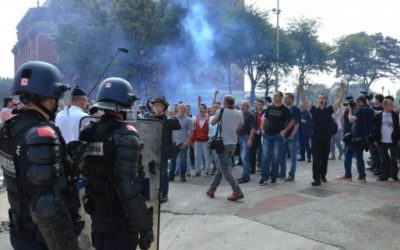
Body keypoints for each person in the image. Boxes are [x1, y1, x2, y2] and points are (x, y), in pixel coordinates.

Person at [0, 61, 80, 249]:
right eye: (56, 98)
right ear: (48, 98)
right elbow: (47, 205)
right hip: (43, 238)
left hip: (20, 231)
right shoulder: (41, 134)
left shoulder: (8, 129)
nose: (58, 103)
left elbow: (26, 172)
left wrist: (69, 161)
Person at [80, 77, 154, 250]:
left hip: (97, 216)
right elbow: (127, 186)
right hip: (120, 221)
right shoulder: (126, 136)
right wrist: (145, 227)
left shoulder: (88, 132)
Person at [299, 82, 345, 186]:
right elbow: (304, 101)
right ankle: (316, 179)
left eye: (323, 98)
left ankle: (323, 175)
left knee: (324, 158)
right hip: (315, 137)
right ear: (317, 100)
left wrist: (342, 91)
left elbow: (339, 101)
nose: (321, 100)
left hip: (326, 137)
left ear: (326, 100)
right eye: (319, 98)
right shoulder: (313, 109)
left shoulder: (329, 110)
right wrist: (301, 91)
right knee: (315, 158)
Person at [207, 95, 244, 201]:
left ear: (225, 102)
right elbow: (240, 127)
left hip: (222, 144)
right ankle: (212, 189)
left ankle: (237, 191)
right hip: (233, 144)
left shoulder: (221, 111)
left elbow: (212, 122)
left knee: (225, 170)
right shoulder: (239, 112)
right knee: (221, 167)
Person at [149, 97, 181, 203]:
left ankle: (164, 193)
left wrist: (174, 117)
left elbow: (177, 126)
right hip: (152, 150)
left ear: (164, 107)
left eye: (159, 105)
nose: (156, 107)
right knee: (152, 172)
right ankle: (153, 192)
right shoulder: (149, 118)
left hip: (163, 150)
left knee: (163, 173)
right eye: (155, 105)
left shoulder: (167, 120)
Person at [259, 91, 294, 186]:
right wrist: (262, 129)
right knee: (265, 157)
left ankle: (274, 177)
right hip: (267, 135)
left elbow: (292, 121)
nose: (274, 97)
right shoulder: (269, 107)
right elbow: (265, 118)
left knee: (276, 157)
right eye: (274, 96)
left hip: (278, 136)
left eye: (276, 96)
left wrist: (285, 130)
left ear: (281, 97)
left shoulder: (285, 109)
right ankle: (264, 177)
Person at [338, 95, 374, 183]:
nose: (356, 104)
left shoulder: (361, 110)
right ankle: (362, 176)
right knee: (359, 157)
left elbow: (350, 119)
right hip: (364, 137)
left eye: (357, 102)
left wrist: (350, 109)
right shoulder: (370, 110)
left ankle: (348, 175)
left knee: (347, 155)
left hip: (356, 138)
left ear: (360, 102)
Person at [374, 98, 399, 181]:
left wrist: (398, 139)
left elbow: (398, 128)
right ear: (384, 105)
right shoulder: (378, 116)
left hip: (393, 141)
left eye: (392, 104)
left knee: (394, 159)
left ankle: (394, 175)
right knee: (384, 159)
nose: (392, 106)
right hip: (382, 141)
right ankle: (385, 175)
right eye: (390, 104)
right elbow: (375, 129)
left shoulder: (395, 115)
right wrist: (375, 140)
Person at [280, 93, 301, 182]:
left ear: (291, 99)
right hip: (284, 136)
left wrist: (292, 135)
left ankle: (291, 175)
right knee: (282, 155)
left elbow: (296, 123)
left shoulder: (296, 109)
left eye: (286, 98)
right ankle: (282, 173)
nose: (285, 100)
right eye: (284, 98)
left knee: (293, 157)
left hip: (292, 136)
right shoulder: (285, 109)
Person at [170, 103, 193, 182]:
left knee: (183, 160)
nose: (182, 110)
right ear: (178, 109)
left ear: (186, 109)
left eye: (184, 108)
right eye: (181, 108)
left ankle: (182, 175)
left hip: (183, 142)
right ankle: (171, 176)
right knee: (173, 160)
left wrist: (187, 141)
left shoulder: (188, 119)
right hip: (174, 142)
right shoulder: (174, 118)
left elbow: (192, 131)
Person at [237, 100, 257, 183]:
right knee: (243, 158)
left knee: (245, 158)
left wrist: (250, 139)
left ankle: (245, 177)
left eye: (244, 105)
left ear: (248, 107)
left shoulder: (251, 115)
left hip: (246, 137)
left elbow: (253, 128)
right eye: (241, 105)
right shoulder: (240, 114)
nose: (242, 107)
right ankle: (244, 175)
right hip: (240, 137)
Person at [193, 98, 211, 177]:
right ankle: (198, 171)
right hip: (197, 140)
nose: (200, 109)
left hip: (206, 140)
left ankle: (206, 171)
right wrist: (193, 140)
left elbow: (211, 129)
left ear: (205, 110)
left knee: (206, 156)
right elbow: (194, 130)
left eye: (202, 108)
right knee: (197, 156)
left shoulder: (209, 118)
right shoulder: (196, 118)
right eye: (199, 108)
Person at [249, 99, 265, 173]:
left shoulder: (266, 112)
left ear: (263, 105)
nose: (258, 106)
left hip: (263, 134)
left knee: (262, 152)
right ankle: (252, 168)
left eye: (260, 104)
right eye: (257, 104)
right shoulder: (253, 113)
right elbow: (251, 123)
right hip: (255, 134)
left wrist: (263, 130)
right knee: (252, 152)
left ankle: (261, 166)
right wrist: (255, 130)